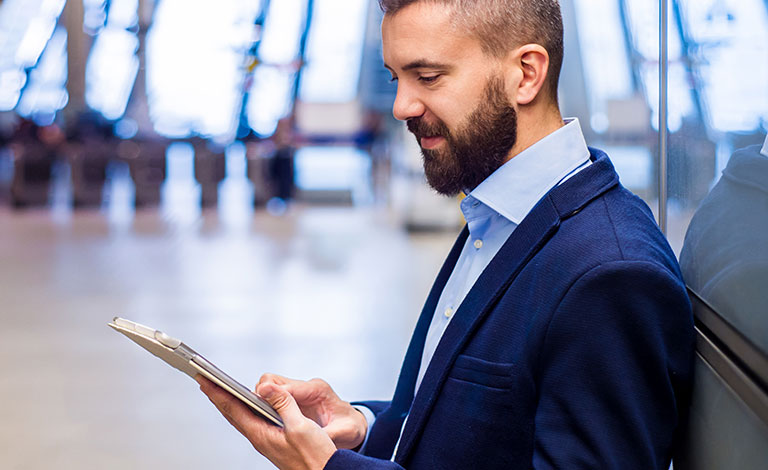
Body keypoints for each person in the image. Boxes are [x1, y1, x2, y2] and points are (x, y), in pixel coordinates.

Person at [196, 1, 695, 468]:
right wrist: (365, 428)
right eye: (396, 78)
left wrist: (329, 467)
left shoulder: (611, 274)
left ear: (525, 74)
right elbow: (476, 430)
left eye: (427, 77)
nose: (401, 106)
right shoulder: (499, 213)